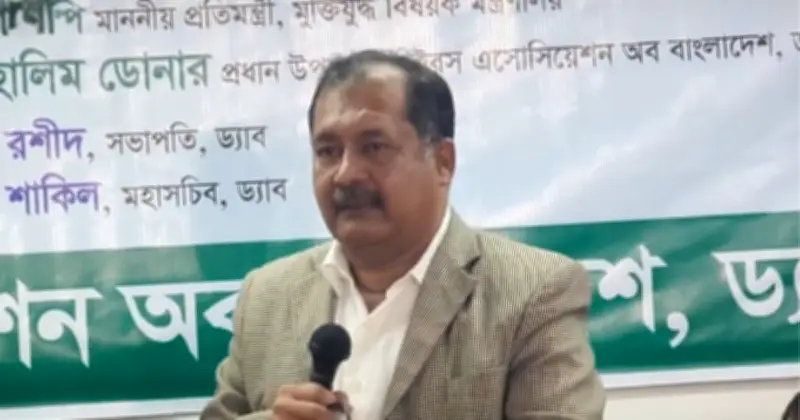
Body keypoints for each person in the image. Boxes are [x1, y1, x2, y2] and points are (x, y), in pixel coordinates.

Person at [200, 49, 606, 420]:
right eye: (327, 152)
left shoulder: (534, 292)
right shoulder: (266, 296)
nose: (345, 174)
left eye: (374, 147)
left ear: (443, 162)